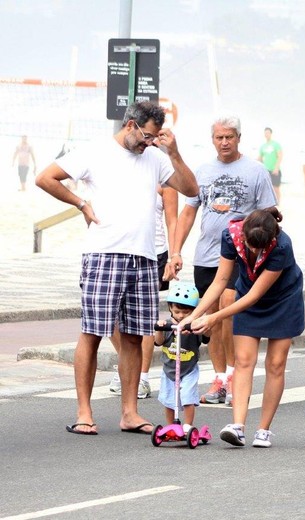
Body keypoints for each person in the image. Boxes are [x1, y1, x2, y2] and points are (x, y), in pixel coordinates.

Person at [35, 101, 199, 436]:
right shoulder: (95, 151)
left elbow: (192, 190)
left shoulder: (155, 158)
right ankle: (84, 412)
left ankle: (129, 412)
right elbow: (45, 178)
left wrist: (175, 153)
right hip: (103, 254)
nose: (148, 143)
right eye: (146, 137)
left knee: (134, 338)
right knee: (93, 332)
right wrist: (81, 203)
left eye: (154, 138)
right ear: (131, 126)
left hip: (144, 256)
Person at [165, 115, 277, 408]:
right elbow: (188, 213)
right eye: (219, 138)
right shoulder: (202, 171)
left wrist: (264, 254)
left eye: (229, 137)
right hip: (206, 256)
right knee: (208, 319)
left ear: (239, 137)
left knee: (227, 309)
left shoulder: (256, 171)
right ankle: (220, 379)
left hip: (242, 256)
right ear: (212, 139)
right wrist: (176, 251)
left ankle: (232, 375)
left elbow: (270, 216)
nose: (224, 142)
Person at [179, 208, 305, 448]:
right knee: (243, 360)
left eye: (260, 248)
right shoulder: (231, 235)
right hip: (246, 295)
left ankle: (263, 430)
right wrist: (194, 315)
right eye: (250, 246)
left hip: (283, 300)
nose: (255, 252)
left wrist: (214, 318)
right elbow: (220, 280)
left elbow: (257, 295)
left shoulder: (281, 246)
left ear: (272, 239)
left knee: (276, 364)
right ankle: (238, 426)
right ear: (243, 235)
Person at [108, 184, 178, 398]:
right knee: (110, 316)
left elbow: (173, 219)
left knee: (144, 318)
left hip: (153, 253)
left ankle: (142, 378)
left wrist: (175, 255)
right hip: (117, 249)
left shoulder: (164, 180)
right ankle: (127, 367)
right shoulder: (120, 171)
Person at [154, 281, 202, 433]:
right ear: (170, 308)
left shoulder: (194, 326)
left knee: (188, 397)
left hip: (188, 369)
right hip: (169, 370)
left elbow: (207, 336)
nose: (181, 316)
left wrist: (197, 324)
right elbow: (158, 342)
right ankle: (171, 426)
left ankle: (188, 425)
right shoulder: (168, 325)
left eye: (186, 312)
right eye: (177, 311)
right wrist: (160, 328)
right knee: (169, 400)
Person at [258, 127, 283, 202]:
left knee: (276, 188)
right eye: (265, 133)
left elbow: (280, 156)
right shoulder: (263, 146)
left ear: (271, 134)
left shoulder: (276, 144)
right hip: (266, 170)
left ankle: (278, 204)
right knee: (267, 189)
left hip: (275, 170)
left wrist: (276, 168)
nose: (266, 134)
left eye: (268, 133)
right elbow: (260, 158)